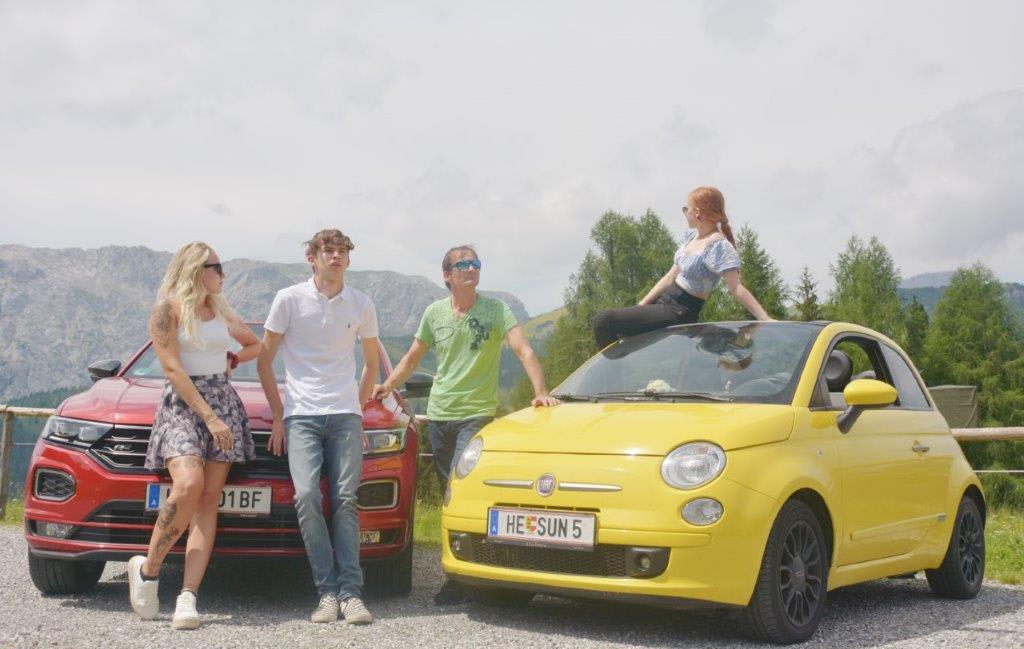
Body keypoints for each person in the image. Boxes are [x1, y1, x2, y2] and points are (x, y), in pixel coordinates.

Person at [371, 244, 560, 605]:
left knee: (461, 486)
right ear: (448, 275)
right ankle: (459, 573)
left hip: (476, 415)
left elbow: (524, 350)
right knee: (450, 494)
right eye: (463, 265)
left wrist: (541, 392)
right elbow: (412, 357)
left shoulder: (496, 310)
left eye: (475, 263)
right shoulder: (434, 312)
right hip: (440, 415)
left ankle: (468, 576)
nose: (471, 268)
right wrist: (388, 386)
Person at [127, 242, 260, 629]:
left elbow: (255, 344)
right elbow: (171, 368)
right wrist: (210, 418)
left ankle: (188, 596)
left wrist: (234, 358)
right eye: (218, 266)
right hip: (184, 406)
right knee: (188, 485)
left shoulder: (221, 310)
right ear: (197, 269)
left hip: (223, 401)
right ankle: (149, 571)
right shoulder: (166, 310)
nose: (223, 274)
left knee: (207, 501)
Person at [256, 229, 379, 625]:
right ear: (312, 257)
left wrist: (358, 409)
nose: (336, 256)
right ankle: (326, 592)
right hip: (301, 415)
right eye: (328, 250)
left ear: (349, 259)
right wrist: (279, 415)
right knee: (307, 496)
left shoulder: (361, 303)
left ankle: (351, 594)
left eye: (342, 251)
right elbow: (264, 361)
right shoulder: (288, 299)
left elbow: (372, 365)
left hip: (345, 415)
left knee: (345, 500)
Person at [592, 186, 772, 349]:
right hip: (664, 302)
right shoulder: (692, 238)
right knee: (622, 332)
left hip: (679, 310)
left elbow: (736, 288)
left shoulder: (718, 245)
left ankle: (613, 371)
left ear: (697, 213)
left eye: (687, 209)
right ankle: (618, 367)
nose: (685, 212)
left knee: (603, 320)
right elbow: (669, 278)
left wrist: (764, 318)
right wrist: (641, 306)